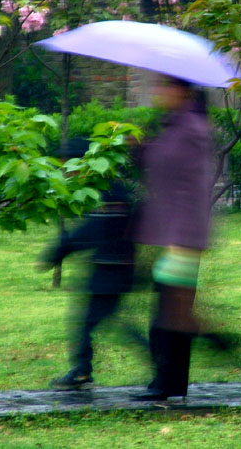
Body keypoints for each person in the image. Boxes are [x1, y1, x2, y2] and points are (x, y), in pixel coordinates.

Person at [131, 73, 215, 401]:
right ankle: (171, 383)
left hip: (183, 236)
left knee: (169, 315)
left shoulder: (191, 128)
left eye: (163, 86)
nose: (157, 92)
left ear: (180, 91)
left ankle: (165, 383)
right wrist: (139, 149)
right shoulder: (176, 123)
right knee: (172, 311)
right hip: (175, 234)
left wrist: (179, 236)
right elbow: (161, 168)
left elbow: (192, 188)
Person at [39, 180, 136, 390]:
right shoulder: (107, 185)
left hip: (111, 272)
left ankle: (81, 372)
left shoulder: (107, 187)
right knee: (99, 322)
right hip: (111, 269)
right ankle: (81, 371)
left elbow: (92, 229)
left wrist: (58, 251)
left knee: (89, 323)